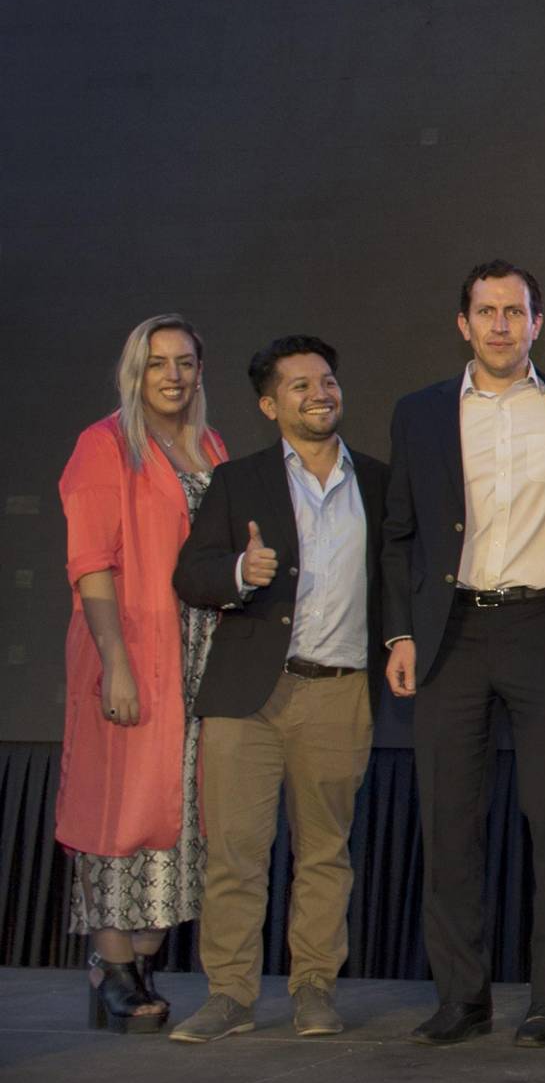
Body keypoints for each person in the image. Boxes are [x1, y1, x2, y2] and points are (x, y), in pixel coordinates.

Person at [383, 260, 545, 1047]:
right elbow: (399, 534)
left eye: (515, 311)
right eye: (487, 311)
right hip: (451, 635)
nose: (501, 325)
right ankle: (461, 999)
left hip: (544, 630)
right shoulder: (420, 413)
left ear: (538, 322)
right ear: (463, 324)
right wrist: (401, 632)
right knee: (449, 825)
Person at [168, 336, 388, 1042]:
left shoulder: (379, 482)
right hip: (249, 697)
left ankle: (314, 988)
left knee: (325, 852)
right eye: (299, 385)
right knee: (236, 852)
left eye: (326, 381)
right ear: (269, 405)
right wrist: (240, 571)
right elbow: (190, 574)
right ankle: (229, 995)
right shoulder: (239, 481)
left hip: (339, 691)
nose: (319, 393)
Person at [58, 314, 228, 1032]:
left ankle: (142, 960)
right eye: (157, 363)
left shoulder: (210, 446)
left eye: (184, 362)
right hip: (131, 651)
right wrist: (116, 666)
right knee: (116, 809)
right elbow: (91, 565)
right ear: (135, 372)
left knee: (180, 814)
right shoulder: (104, 445)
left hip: (199, 656)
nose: (172, 375)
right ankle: (111, 965)